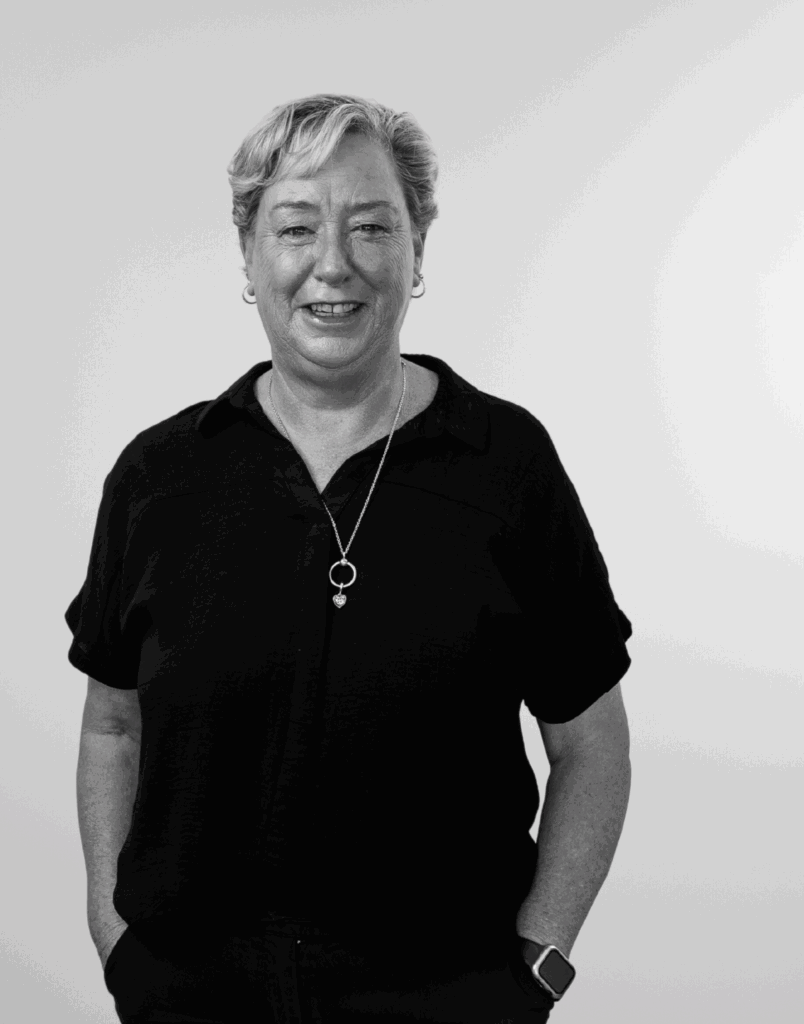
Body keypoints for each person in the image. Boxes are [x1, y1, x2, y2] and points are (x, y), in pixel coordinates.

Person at [68, 94, 633, 1024]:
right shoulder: (159, 476)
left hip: (448, 1004)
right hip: (194, 1002)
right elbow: (112, 729)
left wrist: (539, 961)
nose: (333, 263)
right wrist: (114, 936)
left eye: (372, 226)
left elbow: (590, 742)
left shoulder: (506, 467)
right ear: (249, 255)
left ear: (418, 252)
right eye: (296, 227)